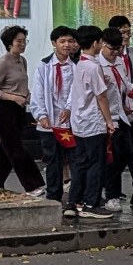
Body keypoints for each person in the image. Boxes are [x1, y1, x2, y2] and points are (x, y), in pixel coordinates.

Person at [0, 25, 46, 196]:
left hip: (19, 108)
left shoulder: (22, 60)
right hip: (4, 108)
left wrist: (26, 95)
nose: (23, 44)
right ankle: (33, 185)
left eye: (24, 41)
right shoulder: (3, 62)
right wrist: (13, 97)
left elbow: (20, 84)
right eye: (19, 41)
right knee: (16, 148)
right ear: (10, 43)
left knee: (6, 147)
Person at [63, 25, 117, 219]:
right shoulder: (93, 66)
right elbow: (101, 96)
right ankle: (90, 203)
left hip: (79, 122)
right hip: (93, 122)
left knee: (80, 163)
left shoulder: (80, 64)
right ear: (95, 43)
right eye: (101, 41)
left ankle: (72, 202)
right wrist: (109, 120)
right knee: (96, 164)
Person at [97, 27, 133, 210]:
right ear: (103, 45)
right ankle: (111, 194)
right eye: (111, 50)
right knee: (116, 157)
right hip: (106, 118)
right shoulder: (96, 65)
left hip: (122, 115)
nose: (115, 54)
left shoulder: (119, 62)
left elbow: (125, 83)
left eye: (118, 50)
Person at [29, 25, 77, 202]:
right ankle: (53, 197)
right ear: (54, 44)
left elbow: (77, 90)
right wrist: (41, 115)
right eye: (62, 41)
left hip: (71, 123)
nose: (66, 45)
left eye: (70, 41)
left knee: (75, 160)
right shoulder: (44, 66)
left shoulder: (77, 66)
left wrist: (70, 108)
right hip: (50, 123)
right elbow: (38, 91)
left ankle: (75, 198)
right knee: (53, 161)